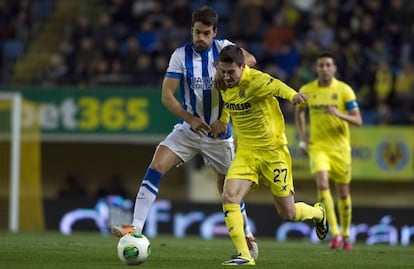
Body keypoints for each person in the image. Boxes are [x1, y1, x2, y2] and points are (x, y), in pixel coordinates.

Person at [110, 6, 259, 259]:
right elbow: (167, 96)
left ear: (215, 33)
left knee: (228, 192)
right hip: (189, 131)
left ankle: (246, 236)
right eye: (196, 32)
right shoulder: (180, 56)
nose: (200, 38)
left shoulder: (224, 48)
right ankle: (135, 227)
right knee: (157, 164)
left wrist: (225, 112)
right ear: (191, 30)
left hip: (219, 137)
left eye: (205, 33)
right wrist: (191, 119)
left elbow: (252, 60)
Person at [215, 45, 328, 266]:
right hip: (246, 152)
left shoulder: (256, 80)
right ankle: (244, 256)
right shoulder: (222, 81)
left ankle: (318, 213)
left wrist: (293, 95)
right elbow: (229, 101)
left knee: (289, 213)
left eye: (231, 72)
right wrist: (223, 119)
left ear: (242, 66)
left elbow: (277, 86)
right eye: (223, 71)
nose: (227, 77)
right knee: (229, 196)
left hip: (273, 153)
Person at [295, 51, 363, 251]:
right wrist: (302, 138)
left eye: (328, 65)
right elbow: (299, 112)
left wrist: (339, 114)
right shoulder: (308, 90)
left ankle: (346, 235)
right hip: (318, 147)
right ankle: (334, 234)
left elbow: (358, 120)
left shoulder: (344, 91)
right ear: (316, 68)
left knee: (343, 193)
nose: (324, 68)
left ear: (334, 68)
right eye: (321, 65)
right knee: (322, 183)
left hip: (340, 148)